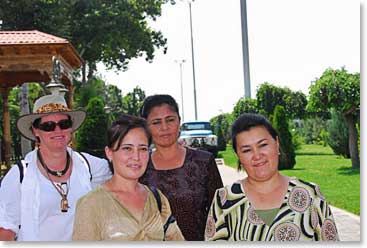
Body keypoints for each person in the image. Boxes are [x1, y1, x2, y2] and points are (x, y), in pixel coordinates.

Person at [205, 113, 339, 241]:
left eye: (263, 145)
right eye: (247, 150)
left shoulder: (310, 195)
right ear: (238, 155)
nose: (257, 156)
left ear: (277, 143)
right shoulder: (225, 199)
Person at [0, 94, 112, 241]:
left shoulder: (90, 166)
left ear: (70, 127)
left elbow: (123, 173)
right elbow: (6, 230)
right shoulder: (19, 175)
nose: (58, 131)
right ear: (35, 130)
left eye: (64, 124)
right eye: (48, 126)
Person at [72, 114, 184, 241]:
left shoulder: (156, 198)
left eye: (142, 149)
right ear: (109, 153)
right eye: (127, 148)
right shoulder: (91, 204)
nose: (136, 157)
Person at [139, 94, 223, 241]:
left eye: (170, 120)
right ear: (146, 127)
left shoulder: (204, 161)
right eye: (156, 122)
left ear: (179, 121)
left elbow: (220, 214)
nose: (164, 128)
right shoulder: (140, 167)